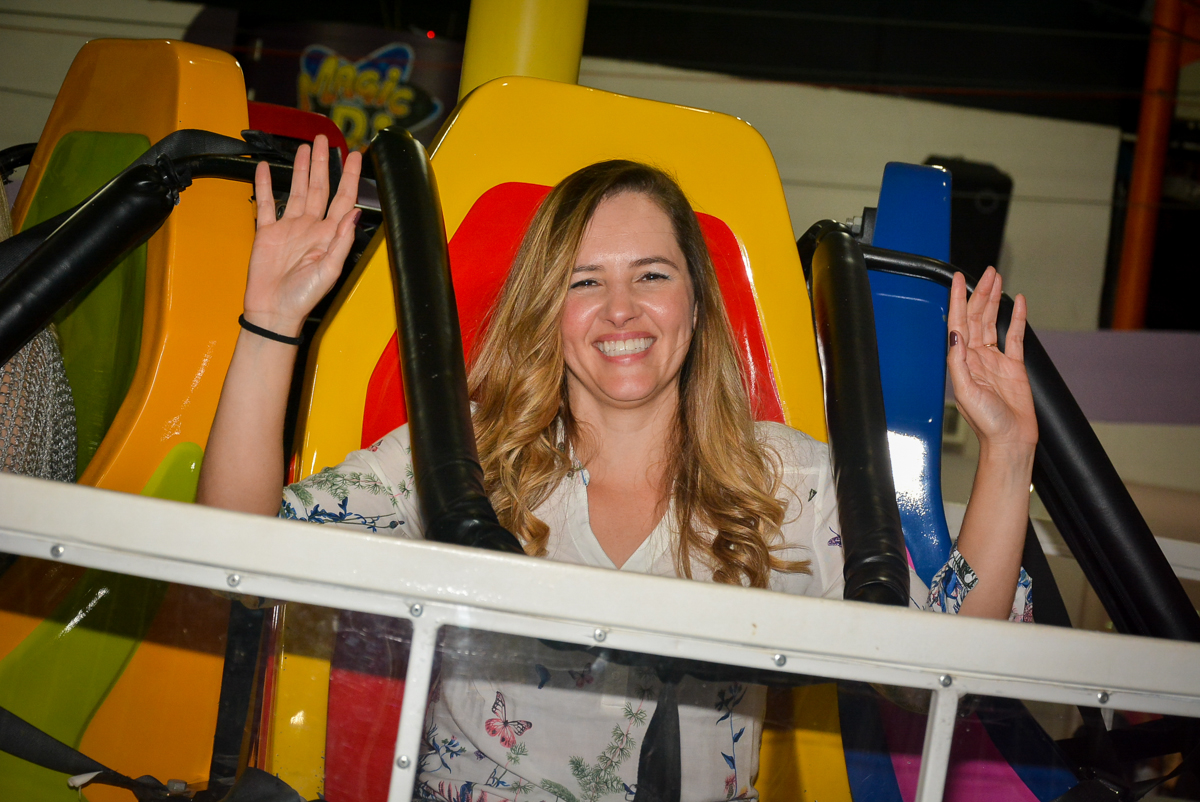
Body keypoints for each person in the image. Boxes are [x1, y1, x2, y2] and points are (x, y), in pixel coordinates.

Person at [197, 135, 1037, 802]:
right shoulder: (466, 456)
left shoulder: (789, 481)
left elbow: (937, 664)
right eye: (584, 281)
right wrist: (271, 323)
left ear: (695, 302)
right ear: (546, 309)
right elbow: (241, 556)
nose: (622, 309)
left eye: (652, 275)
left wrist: (1006, 451)